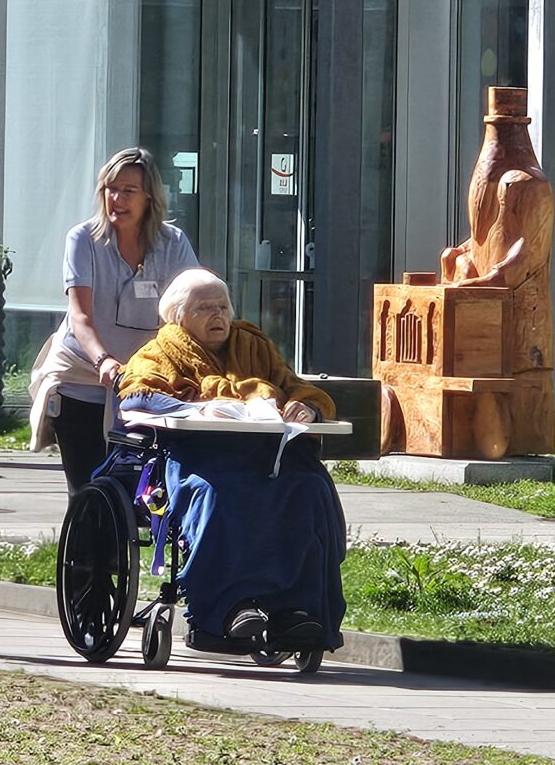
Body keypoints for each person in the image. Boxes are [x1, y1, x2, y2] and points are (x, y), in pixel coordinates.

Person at [117, 269, 346, 654]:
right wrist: (196, 408)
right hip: (200, 457)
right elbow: (138, 395)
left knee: (308, 488)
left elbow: (293, 385)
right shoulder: (159, 353)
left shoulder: (254, 345)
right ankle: (226, 610)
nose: (218, 315)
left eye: (222, 307)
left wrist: (306, 407)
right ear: (178, 316)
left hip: (264, 455)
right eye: (205, 308)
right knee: (219, 493)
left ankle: (298, 611)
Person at [33, 147, 202, 489]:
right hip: (83, 377)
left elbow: (189, 311)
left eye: (129, 191)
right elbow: (81, 316)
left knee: (138, 493)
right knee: (88, 492)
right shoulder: (83, 239)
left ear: (149, 197)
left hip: (145, 384)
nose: (117, 199)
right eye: (111, 189)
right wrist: (104, 361)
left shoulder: (173, 243)